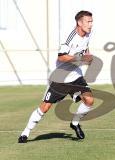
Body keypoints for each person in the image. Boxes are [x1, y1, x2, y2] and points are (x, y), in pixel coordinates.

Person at [18, 10, 94, 143]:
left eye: (91, 21)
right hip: (60, 79)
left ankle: (75, 123)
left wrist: (88, 57)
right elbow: (62, 56)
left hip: (76, 77)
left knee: (89, 100)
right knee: (45, 108)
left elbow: (85, 48)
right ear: (79, 23)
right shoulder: (69, 38)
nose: (91, 24)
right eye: (88, 21)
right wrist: (80, 58)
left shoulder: (88, 34)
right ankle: (25, 133)